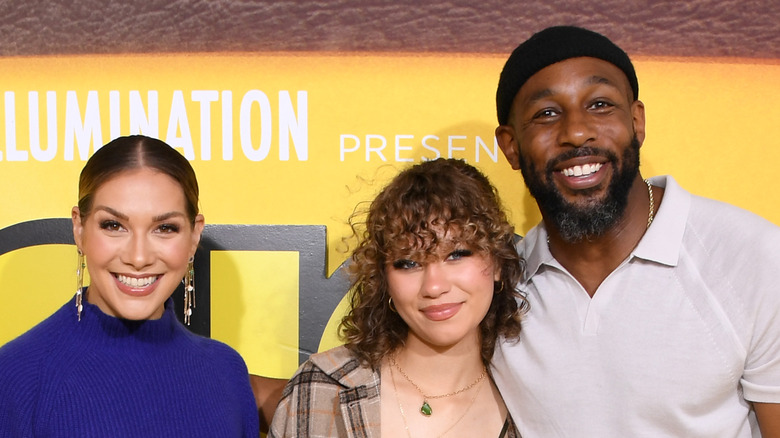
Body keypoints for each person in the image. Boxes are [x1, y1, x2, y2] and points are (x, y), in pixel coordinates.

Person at [490, 25, 780, 437]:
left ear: (637, 121)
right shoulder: (491, 288)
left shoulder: (754, 257)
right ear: (511, 146)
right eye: (547, 113)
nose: (576, 131)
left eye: (600, 104)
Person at [0, 135, 259, 437]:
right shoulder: (17, 376)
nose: (138, 257)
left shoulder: (226, 372)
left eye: (165, 228)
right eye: (113, 225)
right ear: (79, 228)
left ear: (193, 236)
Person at [269, 158, 527, 437]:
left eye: (456, 254)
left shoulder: (533, 405)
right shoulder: (322, 389)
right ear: (384, 278)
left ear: (498, 262)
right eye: (409, 263)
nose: (434, 286)